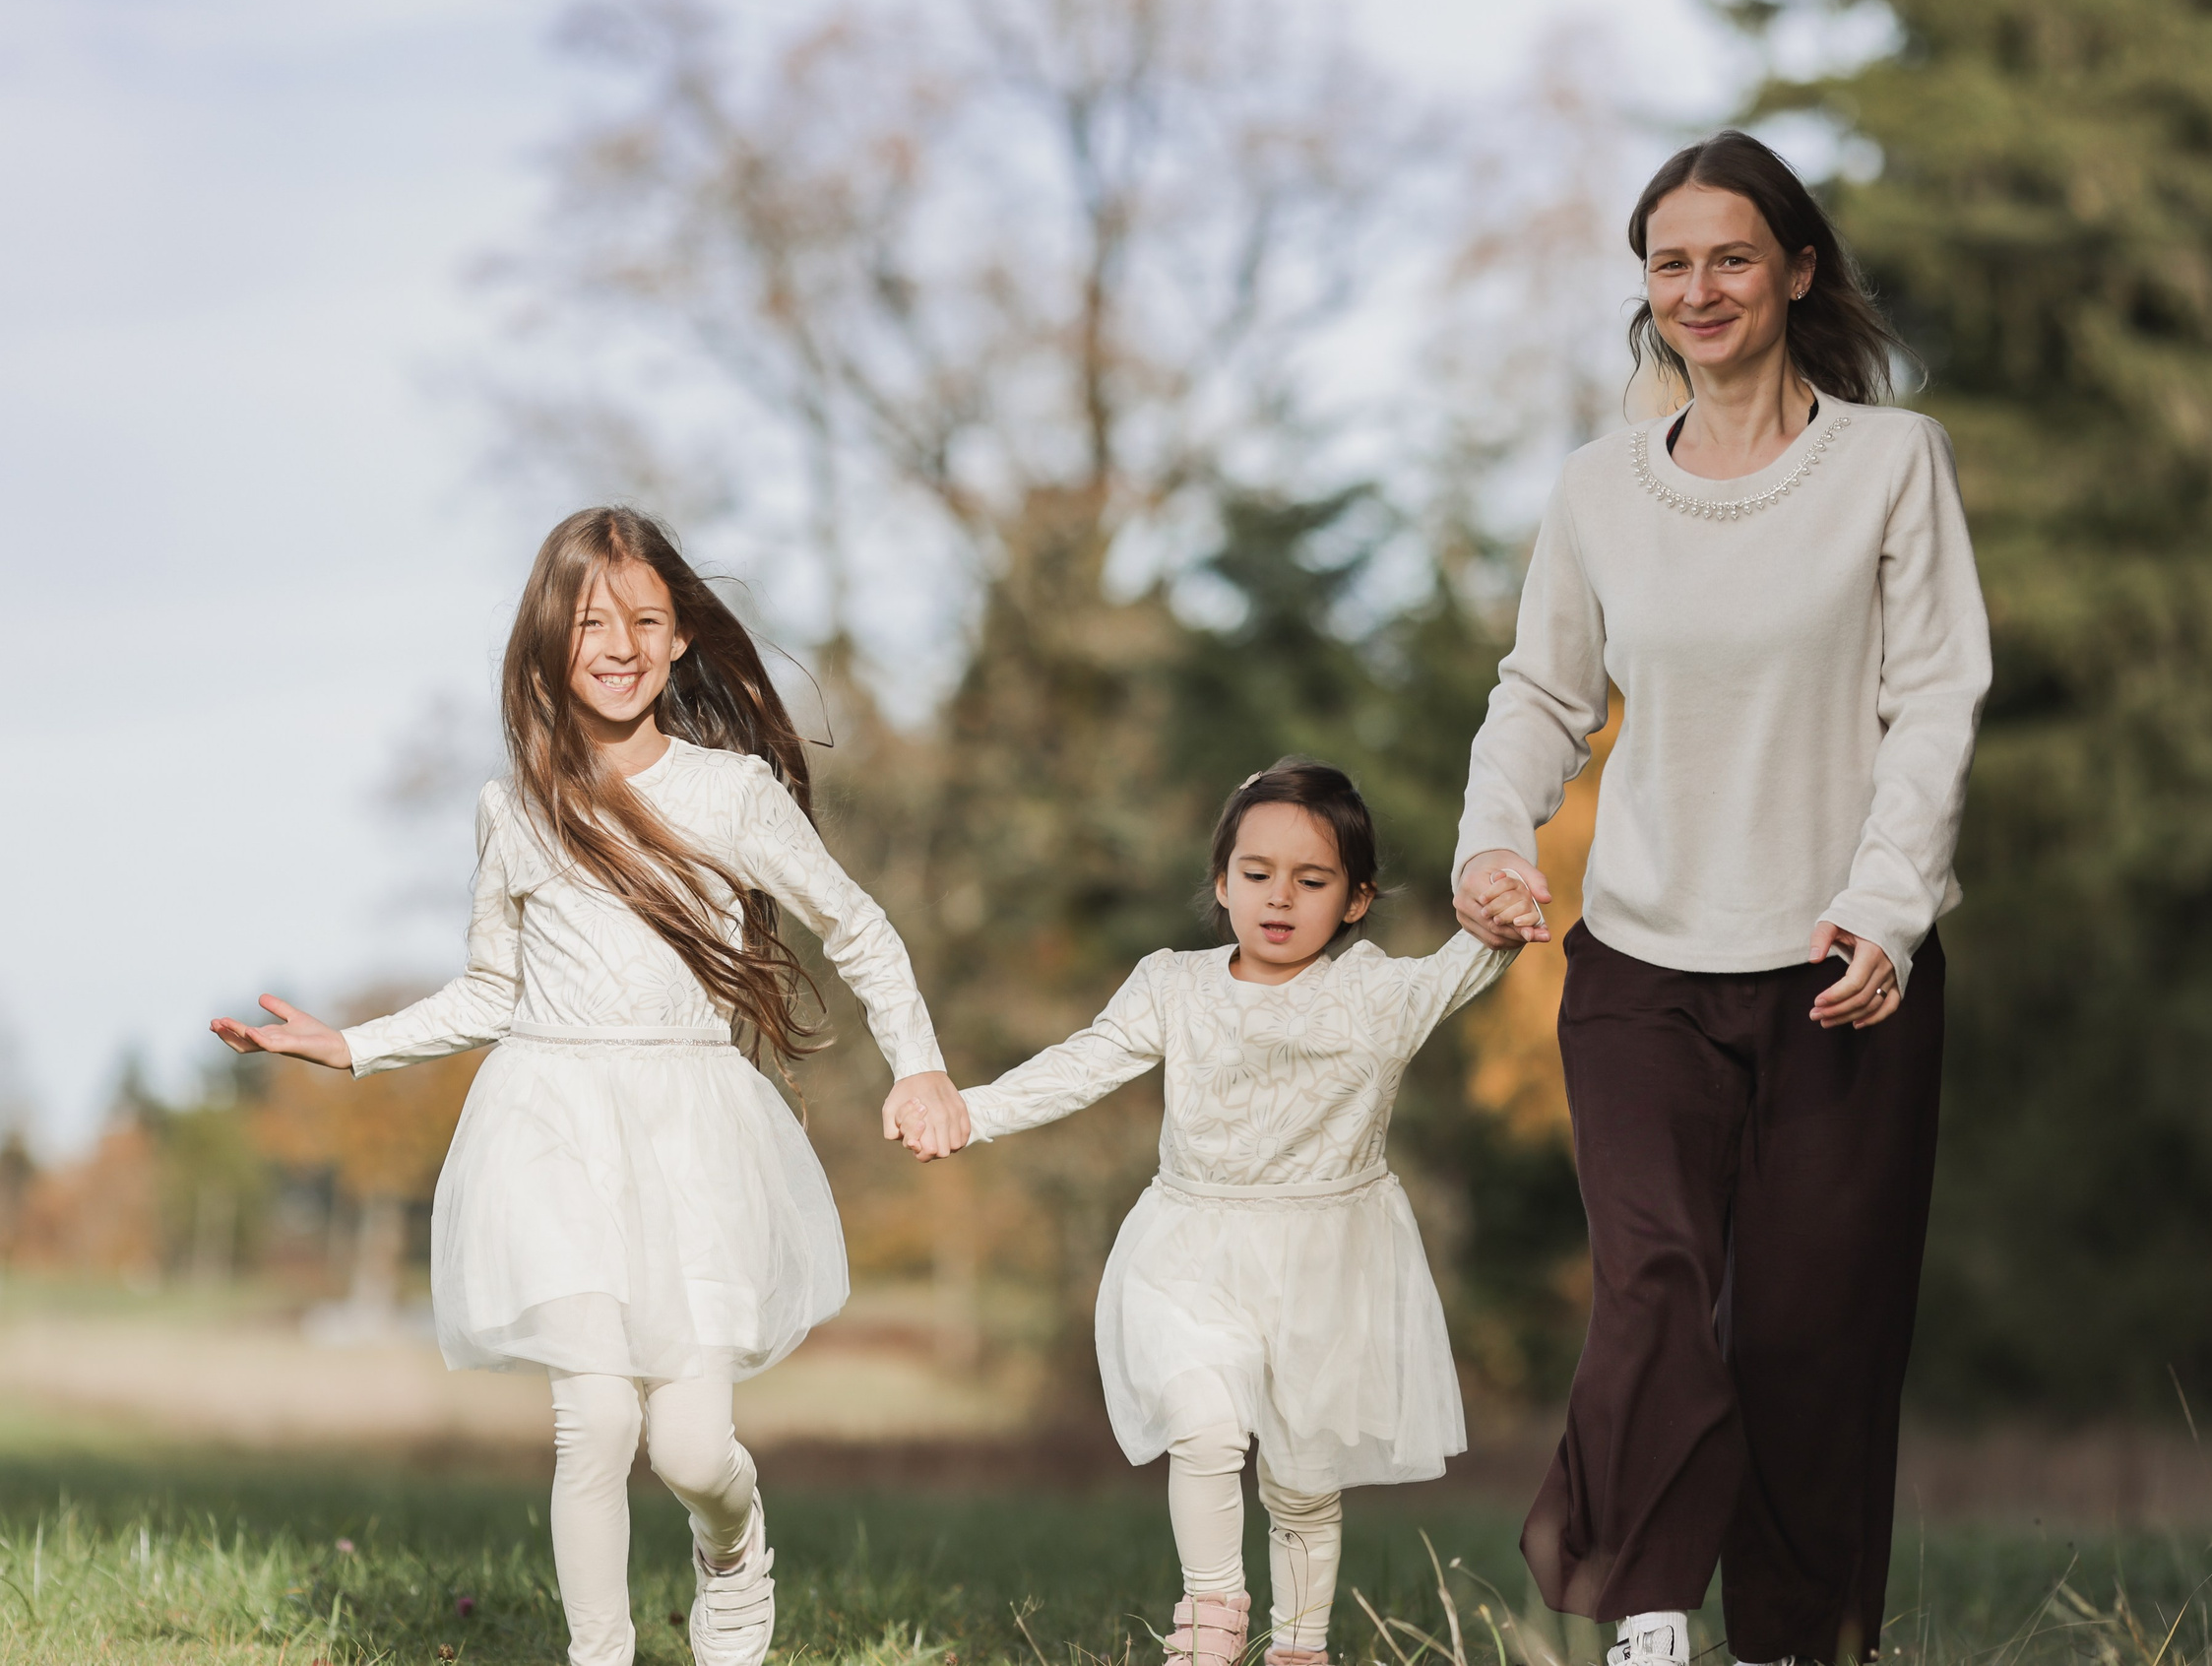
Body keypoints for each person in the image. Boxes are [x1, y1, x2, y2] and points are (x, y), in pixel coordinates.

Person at [212, 507, 971, 1666]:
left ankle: (734, 1547)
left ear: (678, 646)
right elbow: (488, 994)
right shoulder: (512, 808)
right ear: (546, 641)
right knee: (596, 1420)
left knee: (690, 1446)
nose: (617, 643)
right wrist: (351, 1047)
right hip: (552, 1123)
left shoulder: (732, 795)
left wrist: (918, 1062)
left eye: (645, 620)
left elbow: (856, 928)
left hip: (694, 1136)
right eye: (589, 620)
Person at [1450, 130, 1992, 1666]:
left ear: (1797, 270)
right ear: (1648, 286)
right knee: (1657, 1284)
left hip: (1840, 967)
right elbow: (1540, 689)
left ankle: (1797, 1646)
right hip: (1640, 962)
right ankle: (1647, 1607)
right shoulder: (1598, 489)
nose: (1699, 287)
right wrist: (1495, 834)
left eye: (1732, 256)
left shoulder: (1894, 463)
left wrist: (1888, 906)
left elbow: (1939, 697)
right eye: (1670, 262)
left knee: (1813, 1341)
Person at [941, 759, 1529, 1666]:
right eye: (1256, 874)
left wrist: (1500, 914)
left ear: (1358, 898)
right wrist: (967, 1111)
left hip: (1330, 1266)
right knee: (1205, 1429)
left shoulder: (1377, 997)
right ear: (1222, 882)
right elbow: (1082, 1062)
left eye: (1313, 878)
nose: (1279, 898)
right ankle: (1211, 1623)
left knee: (1300, 1482)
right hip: (1192, 1252)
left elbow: (1475, 957)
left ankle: (1299, 1648)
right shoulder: (1175, 986)